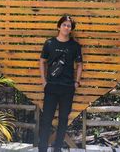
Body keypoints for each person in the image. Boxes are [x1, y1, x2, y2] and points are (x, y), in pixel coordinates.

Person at [39, 15, 83, 152]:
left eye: (69, 26)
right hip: (51, 87)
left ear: (71, 29)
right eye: (64, 24)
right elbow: (42, 61)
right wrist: (43, 81)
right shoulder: (49, 43)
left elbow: (80, 64)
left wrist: (76, 82)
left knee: (63, 120)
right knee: (46, 119)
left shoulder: (74, 46)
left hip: (67, 88)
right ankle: (42, 149)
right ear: (59, 26)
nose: (66, 27)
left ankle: (57, 148)